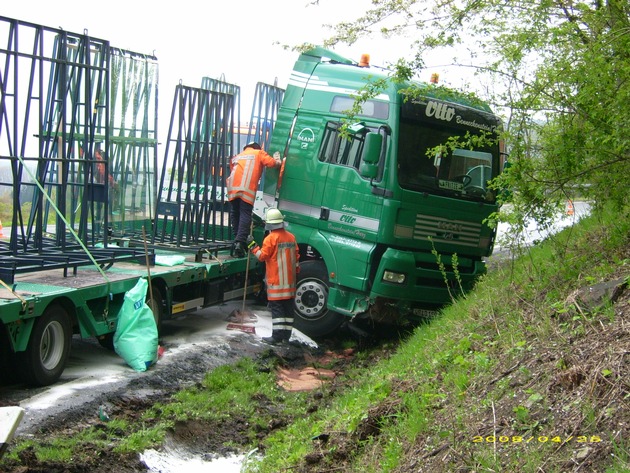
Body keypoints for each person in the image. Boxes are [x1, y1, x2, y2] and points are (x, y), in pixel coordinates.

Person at [246, 208, 300, 345]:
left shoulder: (270, 239)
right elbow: (296, 258)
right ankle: (285, 337)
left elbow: (262, 256)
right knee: (288, 311)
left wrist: (252, 246)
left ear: (269, 224)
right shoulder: (291, 237)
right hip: (290, 283)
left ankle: (276, 337)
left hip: (276, 283)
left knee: (277, 311)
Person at [227, 142, 281, 257]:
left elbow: (232, 168)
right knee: (245, 213)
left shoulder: (238, 155)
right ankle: (240, 242)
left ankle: (237, 241)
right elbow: (271, 163)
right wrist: (278, 161)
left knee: (235, 213)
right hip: (246, 188)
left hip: (232, 188)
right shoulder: (258, 153)